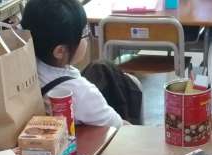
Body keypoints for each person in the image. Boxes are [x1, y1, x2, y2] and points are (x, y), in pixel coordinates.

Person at [21, 0, 130, 128]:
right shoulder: (81, 93)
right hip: (91, 134)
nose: (87, 38)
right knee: (110, 74)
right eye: (84, 33)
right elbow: (119, 126)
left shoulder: (23, 62)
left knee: (102, 68)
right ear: (60, 51)